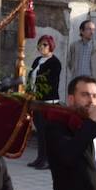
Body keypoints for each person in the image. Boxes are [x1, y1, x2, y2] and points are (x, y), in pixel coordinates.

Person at [27, 35, 62, 170]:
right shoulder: (37, 61)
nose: (42, 47)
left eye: (45, 45)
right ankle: (40, 158)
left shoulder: (55, 63)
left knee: (46, 132)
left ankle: (47, 160)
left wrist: (40, 93)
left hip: (48, 101)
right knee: (40, 131)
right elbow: (32, 77)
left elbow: (52, 83)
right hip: (36, 100)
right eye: (40, 44)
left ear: (51, 46)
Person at [67, 20, 96, 96]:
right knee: (76, 107)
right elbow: (70, 63)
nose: (92, 32)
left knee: (93, 107)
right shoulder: (74, 46)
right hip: (77, 85)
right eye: (89, 29)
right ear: (81, 31)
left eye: (93, 29)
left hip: (93, 87)